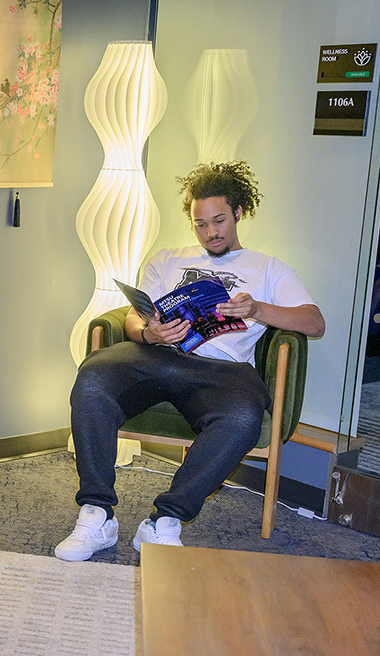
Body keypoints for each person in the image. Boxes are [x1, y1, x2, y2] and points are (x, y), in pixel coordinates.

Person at [55, 161, 325, 561]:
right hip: (153, 356)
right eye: (200, 224)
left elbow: (314, 322)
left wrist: (257, 309)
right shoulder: (167, 259)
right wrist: (148, 332)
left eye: (218, 220)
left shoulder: (268, 268)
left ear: (238, 213)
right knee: (92, 377)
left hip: (222, 371)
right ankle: (96, 514)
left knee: (243, 418)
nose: (210, 232)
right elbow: (134, 316)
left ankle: (164, 521)